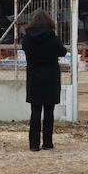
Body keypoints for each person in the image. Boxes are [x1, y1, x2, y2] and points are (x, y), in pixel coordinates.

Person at [22, 9, 67, 151]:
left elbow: (26, 49)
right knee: (49, 111)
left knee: (35, 111)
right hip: (50, 78)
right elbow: (62, 52)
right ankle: (47, 143)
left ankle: (33, 145)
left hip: (34, 77)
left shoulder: (27, 38)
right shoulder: (52, 38)